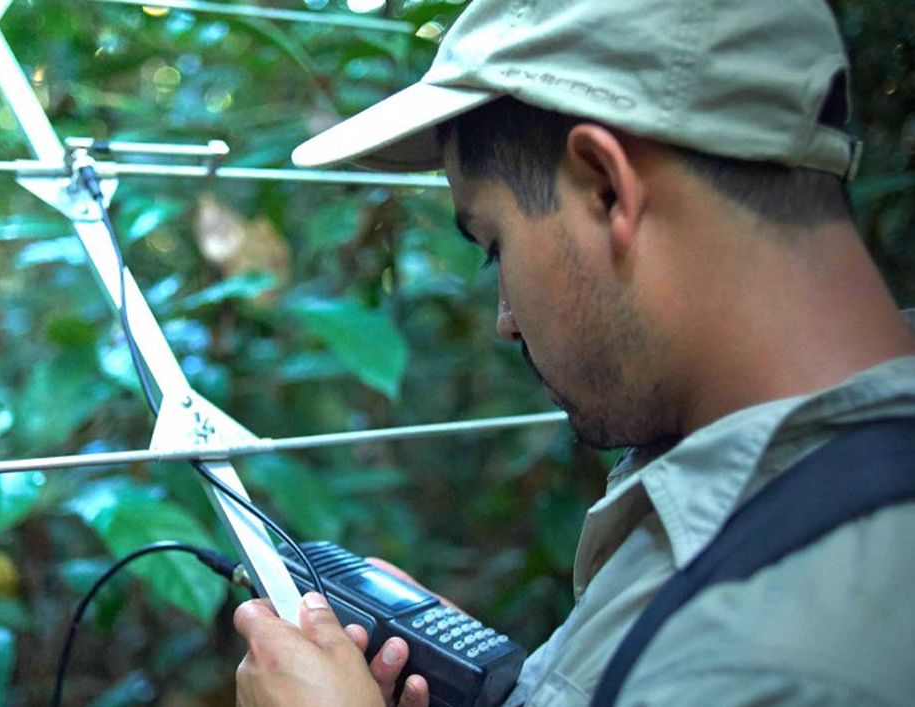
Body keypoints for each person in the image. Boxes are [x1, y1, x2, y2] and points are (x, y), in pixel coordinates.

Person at [232, 0, 915, 704]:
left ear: (607, 187)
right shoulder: (752, 494)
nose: (506, 320)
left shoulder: (769, 655)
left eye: (495, 245)